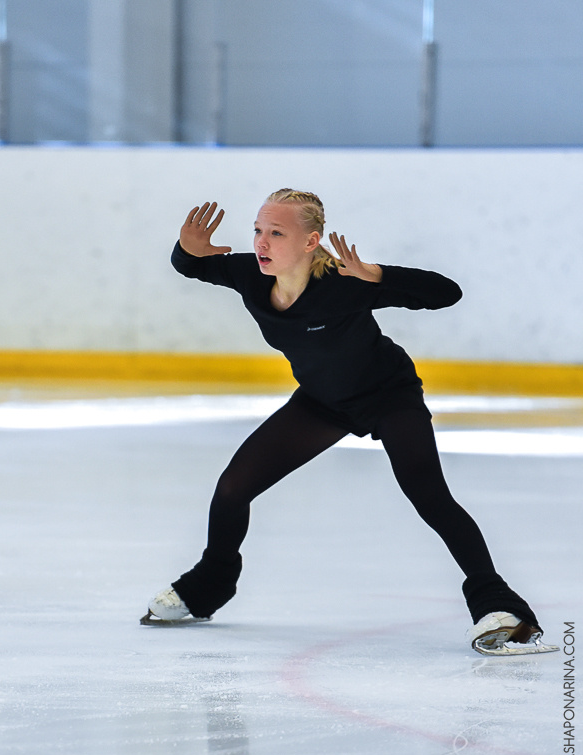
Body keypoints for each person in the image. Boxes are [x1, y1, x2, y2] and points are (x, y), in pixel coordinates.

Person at [142, 189, 557, 656]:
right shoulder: (249, 275)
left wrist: (378, 275)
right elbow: (191, 264)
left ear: (309, 241)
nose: (261, 242)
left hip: (389, 397)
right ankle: (206, 588)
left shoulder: (344, 281)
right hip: (323, 402)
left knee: (430, 495)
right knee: (233, 488)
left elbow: (446, 293)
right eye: (257, 230)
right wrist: (187, 249)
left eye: (276, 233)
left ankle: (503, 611)